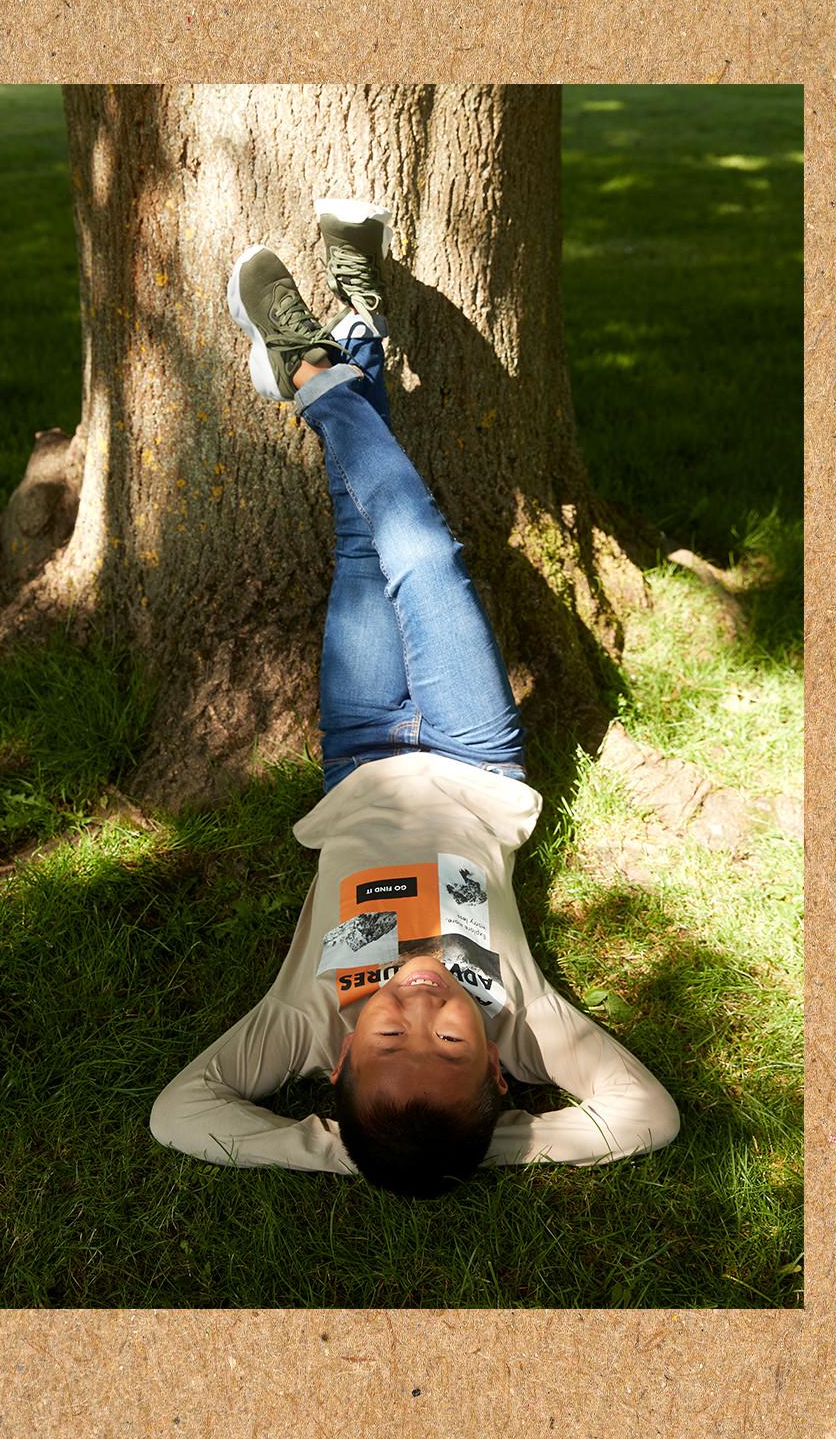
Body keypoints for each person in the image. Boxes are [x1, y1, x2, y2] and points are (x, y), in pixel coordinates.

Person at [149, 199, 680, 1198]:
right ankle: (319, 368)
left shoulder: (301, 1023)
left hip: (360, 753)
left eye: (392, 1034)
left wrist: (339, 1152)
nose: (423, 1005)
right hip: (476, 758)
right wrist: (485, 1144)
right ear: (498, 1071)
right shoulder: (527, 1021)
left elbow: (179, 1114)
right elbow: (642, 1117)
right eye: (451, 1043)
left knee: (365, 542)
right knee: (425, 555)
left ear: (338, 1067)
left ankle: (351, 334)